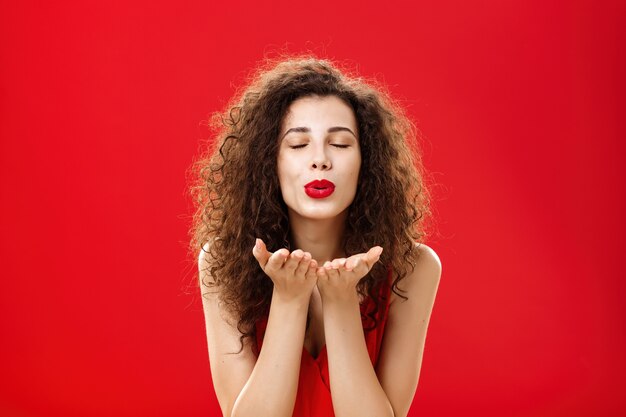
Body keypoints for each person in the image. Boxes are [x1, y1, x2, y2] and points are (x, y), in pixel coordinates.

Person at [188, 55, 441, 417]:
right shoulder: (220, 260)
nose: (320, 160)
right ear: (268, 162)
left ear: (366, 162)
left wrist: (340, 302)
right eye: (298, 145)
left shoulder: (415, 267)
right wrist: (289, 300)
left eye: (339, 144)